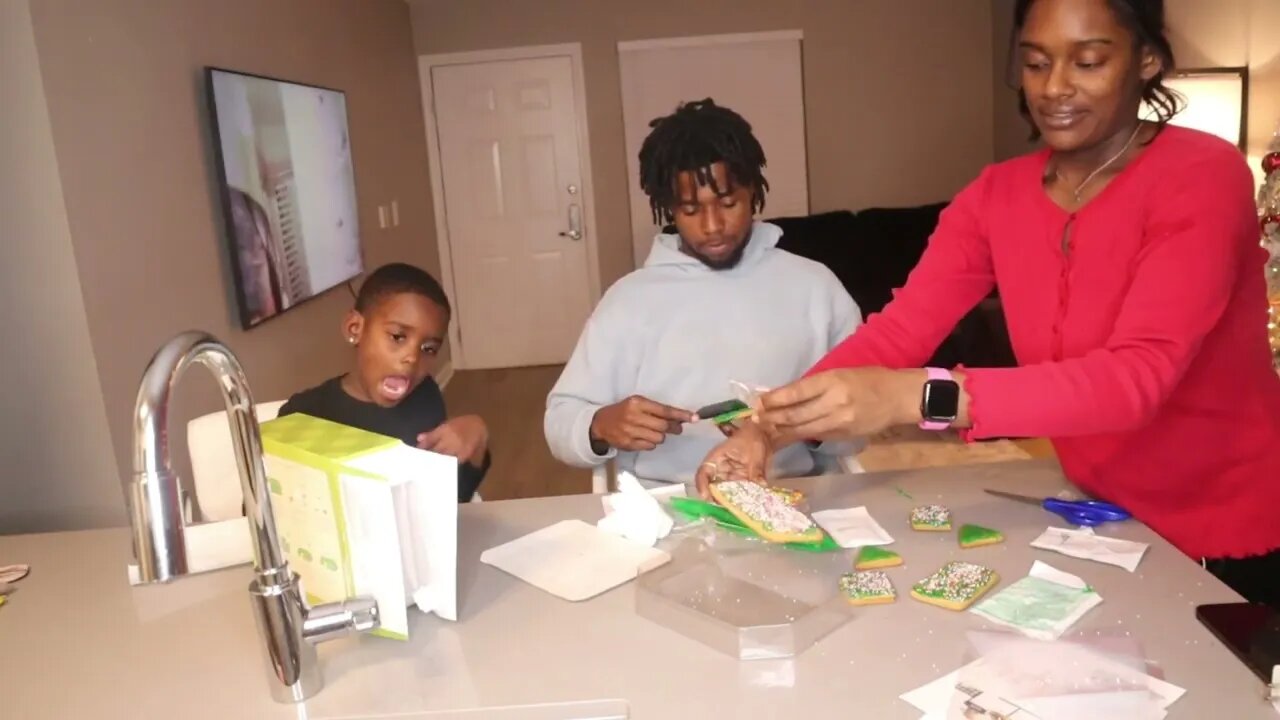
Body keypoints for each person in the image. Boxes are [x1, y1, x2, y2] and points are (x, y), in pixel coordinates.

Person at [697, 0, 1280, 606]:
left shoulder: (1202, 174)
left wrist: (911, 394)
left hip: (1225, 527)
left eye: (1087, 61)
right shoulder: (995, 196)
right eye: (1035, 63)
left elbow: (1136, 379)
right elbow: (899, 332)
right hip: (1099, 510)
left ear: (1147, 60)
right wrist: (764, 429)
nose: (1054, 88)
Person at [544, 99, 862, 485]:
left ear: (754, 194)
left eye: (728, 203)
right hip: (665, 507)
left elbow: (860, 422)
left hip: (791, 494)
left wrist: (799, 427)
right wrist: (599, 425)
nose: (713, 226)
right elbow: (559, 420)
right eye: (691, 210)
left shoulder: (816, 288)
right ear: (669, 211)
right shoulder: (628, 302)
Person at [280, 262, 489, 502]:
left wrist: (477, 436)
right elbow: (263, 513)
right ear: (355, 328)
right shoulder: (304, 415)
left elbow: (452, 499)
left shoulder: (425, 398)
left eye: (428, 348)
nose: (412, 357)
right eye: (398, 337)